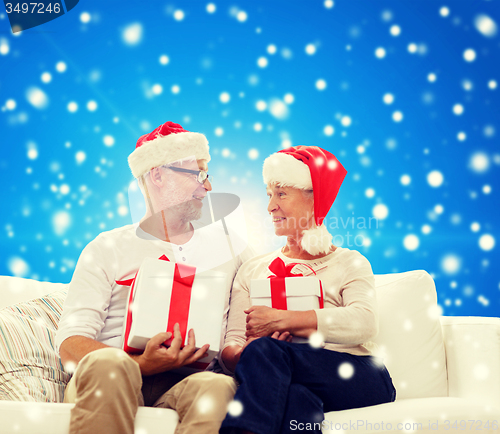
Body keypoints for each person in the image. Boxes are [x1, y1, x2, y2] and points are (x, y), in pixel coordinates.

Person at [55, 121, 253, 434]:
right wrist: (141, 364)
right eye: (197, 174)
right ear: (157, 175)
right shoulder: (108, 247)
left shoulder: (233, 251)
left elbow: (243, 331)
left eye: (208, 175)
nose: (208, 187)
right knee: (111, 366)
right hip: (113, 376)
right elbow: (70, 344)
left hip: (183, 385)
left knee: (216, 387)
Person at [219, 146, 396, 434]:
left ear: (316, 198)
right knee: (296, 397)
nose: (270, 207)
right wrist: (246, 354)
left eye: (282, 194)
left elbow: (365, 322)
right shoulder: (253, 269)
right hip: (285, 374)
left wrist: (283, 321)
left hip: (359, 375)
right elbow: (231, 346)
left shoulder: (349, 261)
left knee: (268, 352)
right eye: (269, 195)